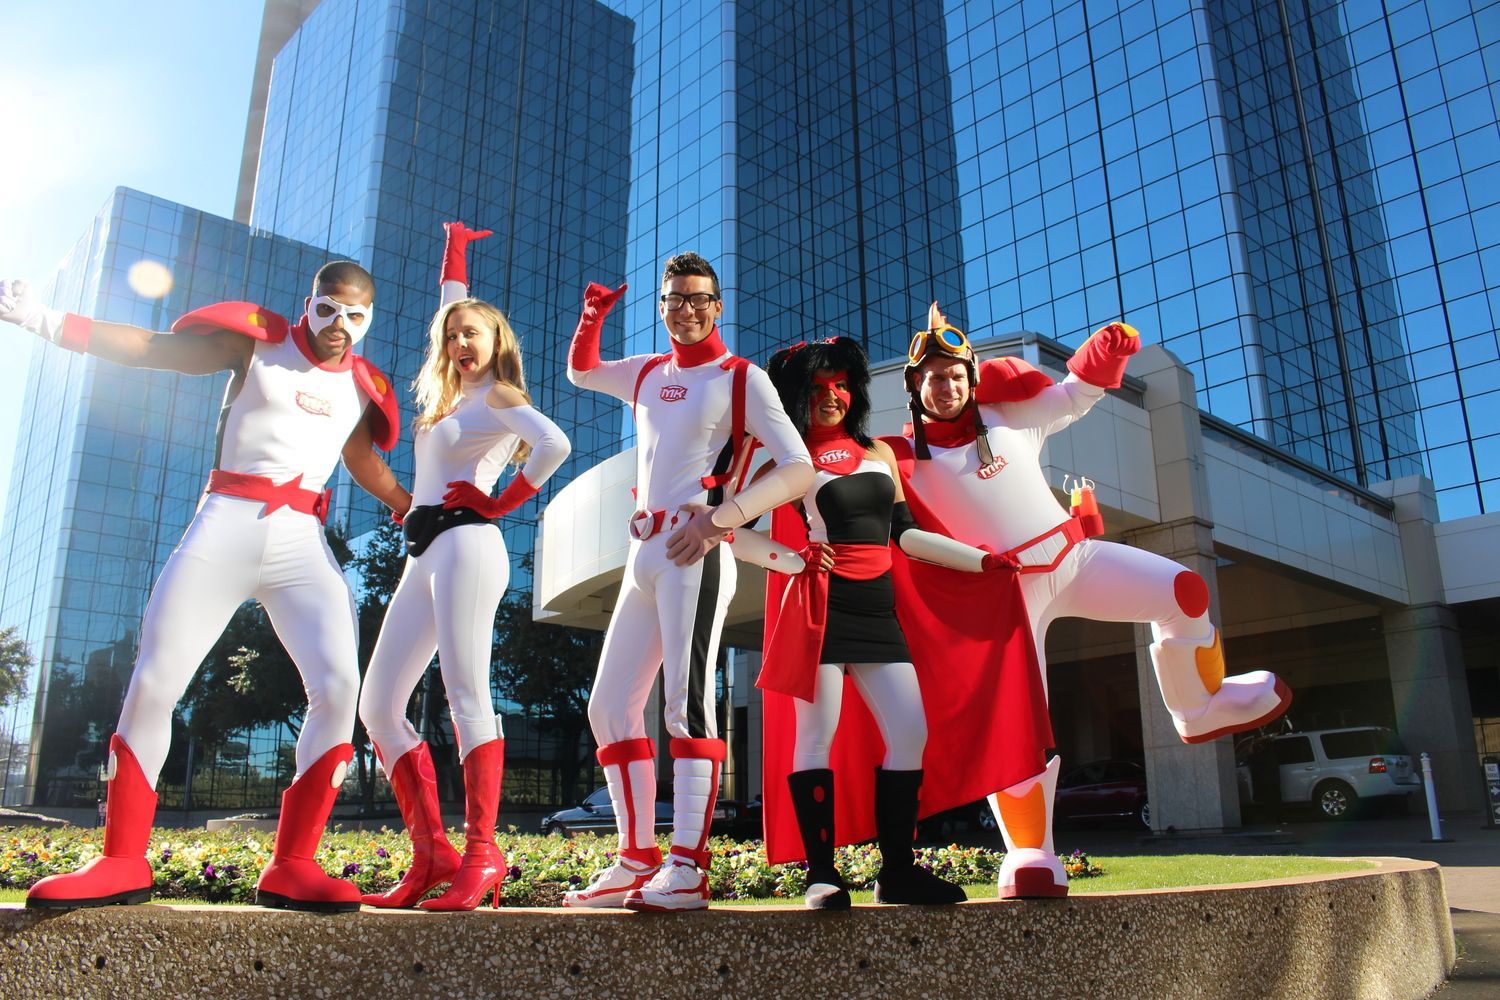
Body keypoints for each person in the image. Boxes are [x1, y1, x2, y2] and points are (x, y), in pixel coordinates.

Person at [1, 262, 405, 912]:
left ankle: (293, 865)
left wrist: (416, 508)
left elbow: (364, 462)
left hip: (302, 542)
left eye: (354, 315)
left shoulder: (363, 386)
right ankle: (121, 862)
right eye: (328, 308)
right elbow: (151, 348)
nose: (339, 324)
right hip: (226, 523)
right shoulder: (257, 343)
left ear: (369, 319)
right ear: (310, 302)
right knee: (156, 679)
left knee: (337, 690)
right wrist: (44, 320)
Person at [887, 303, 1292, 899]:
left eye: (953, 375)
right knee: (1017, 726)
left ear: (971, 378)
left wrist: (1104, 351)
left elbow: (1076, 395)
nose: (942, 386)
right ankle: (1030, 853)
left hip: (1072, 559)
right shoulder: (898, 461)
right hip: (1002, 597)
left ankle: (1199, 707)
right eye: (930, 378)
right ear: (913, 388)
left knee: (1184, 591)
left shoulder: (1010, 417)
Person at [562, 253, 814, 911]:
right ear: (662, 306)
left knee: (688, 704)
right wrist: (592, 317)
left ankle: (689, 868)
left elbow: (799, 467)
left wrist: (722, 519)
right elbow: (582, 372)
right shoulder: (648, 371)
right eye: (675, 298)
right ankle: (635, 858)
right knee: (608, 707)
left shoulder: (742, 378)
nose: (688, 309)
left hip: (693, 552)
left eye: (700, 298)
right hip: (642, 553)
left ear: (718, 305)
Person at [758, 336, 1020, 909]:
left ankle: (896, 872)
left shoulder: (877, 451)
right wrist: (791, 559)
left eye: (841, 385)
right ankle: (821, 877)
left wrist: (980, 561)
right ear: (798, 395)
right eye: (818, 388)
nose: (832, 397)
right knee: (816, 738)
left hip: (878, 611)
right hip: (819, 610)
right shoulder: (789, 460)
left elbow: (905, 534)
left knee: (910, 732)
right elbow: (728, 528)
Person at [357, 222, 570, 911]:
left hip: (469, 547)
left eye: (472, 334)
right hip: (424, 552)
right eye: (452, 336)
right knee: (377, 705)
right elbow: (452, 303)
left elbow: (555, 444)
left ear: (496, 340)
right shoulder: (451, 397)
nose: (459, 343)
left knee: (465, 695)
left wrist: (502, 500)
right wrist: (453, 249)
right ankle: (432, 855)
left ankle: (483, 855)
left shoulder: (499, 396)